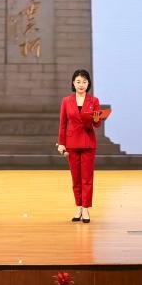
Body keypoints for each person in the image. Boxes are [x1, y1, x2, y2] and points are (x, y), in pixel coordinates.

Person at [57, 68, 103, 224]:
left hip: (88, 143)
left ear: (88, 83)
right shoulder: (66, 101)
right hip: (72, 144)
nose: (81, 84)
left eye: (84, 81)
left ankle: (86, 208)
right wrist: (61, 143)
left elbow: (97, 124)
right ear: (73, 83)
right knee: (76, 178)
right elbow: (63, 124)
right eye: (78, 81)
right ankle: (78, 206)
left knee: (87, 178)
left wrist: (96, 119)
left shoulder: (94, 101)